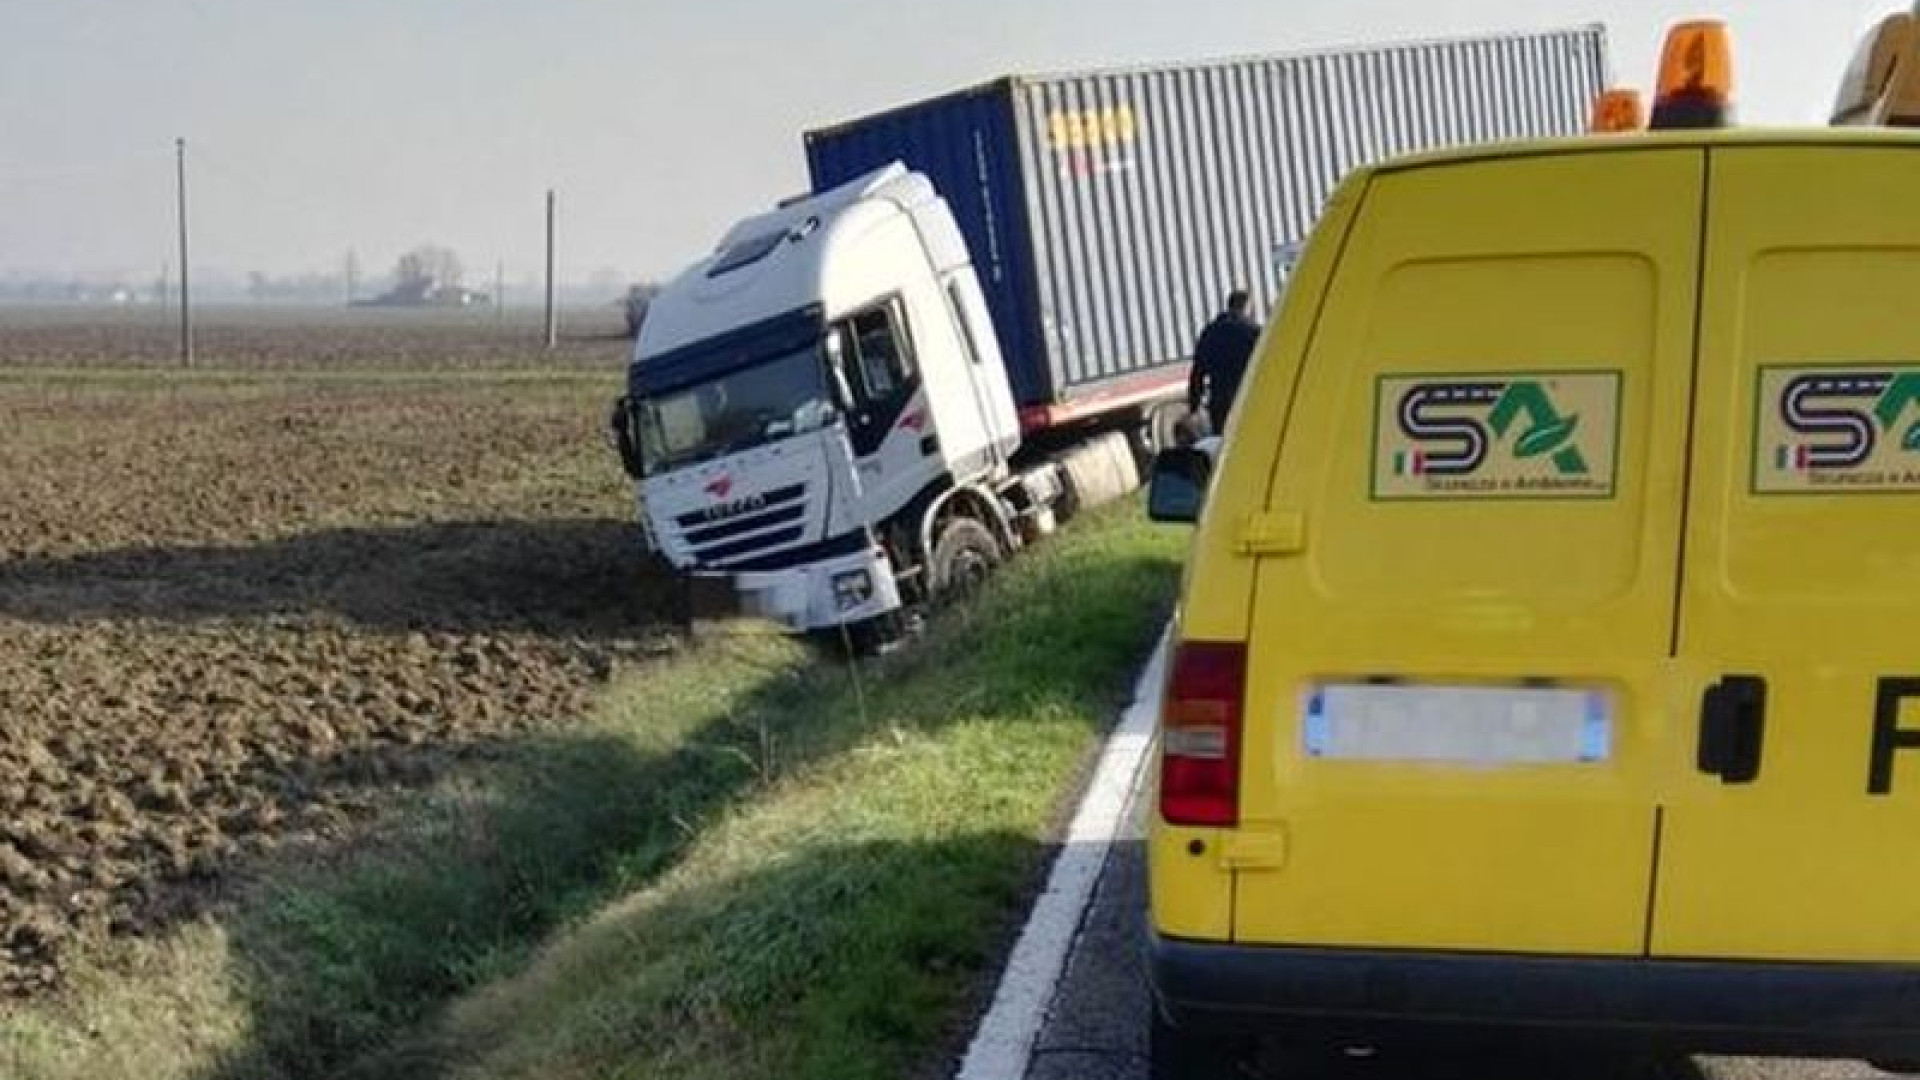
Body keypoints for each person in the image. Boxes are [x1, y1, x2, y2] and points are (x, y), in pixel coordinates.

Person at [1185, 288, 1260, 435]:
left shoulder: (1210, 332)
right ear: (1246, 307)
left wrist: (1194, 405)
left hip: (1219, 403)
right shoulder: (1253, 332)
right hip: (1247, 400)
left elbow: (1197, 372)